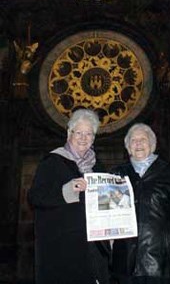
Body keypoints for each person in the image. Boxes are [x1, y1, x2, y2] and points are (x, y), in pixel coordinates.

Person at [111, 123, 170, 284]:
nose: (138, 144)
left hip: (160, 265)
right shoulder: (117, 174)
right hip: (125, 265)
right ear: (128, 147)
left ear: (152, 145)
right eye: (133, 140)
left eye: (143, 139)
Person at [28, 108, 110, 284]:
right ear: (69, 134)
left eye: (89, 134)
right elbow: (35, 197)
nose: (83, 138)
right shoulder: (53, 161)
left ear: (93, 138)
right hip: (63, 248)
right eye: (78, 132)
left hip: (92, 247)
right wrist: (67, 190)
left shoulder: (98, 167)